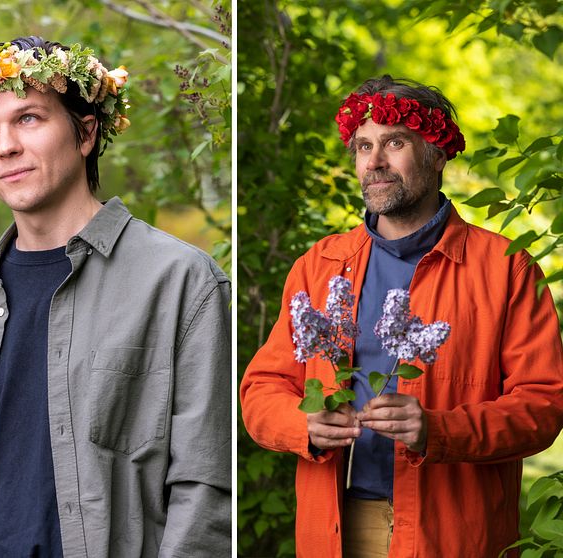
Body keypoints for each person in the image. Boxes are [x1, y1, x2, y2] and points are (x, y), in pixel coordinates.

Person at [0, 36, 232, 557]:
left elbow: (206, 488)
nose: (5, 145)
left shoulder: (181, 283)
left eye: (29, 118)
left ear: (85, 133)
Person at [240, 75, 563, 557]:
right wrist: (302, 423)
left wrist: (440, 430)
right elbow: (261, 389)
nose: (375, 161)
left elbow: (543, 403)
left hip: (454, 533)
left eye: (395, 142)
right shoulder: (320, 266)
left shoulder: (504, 268)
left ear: (437, 154)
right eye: (363, 146)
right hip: (339, 529)